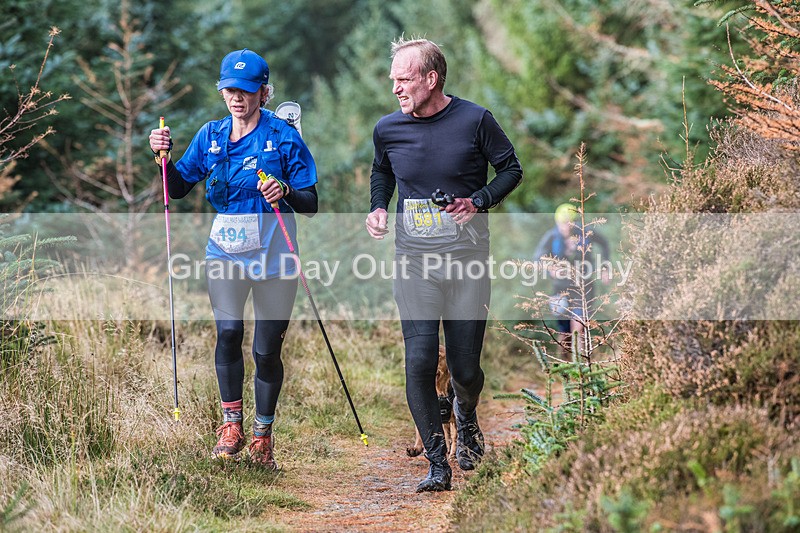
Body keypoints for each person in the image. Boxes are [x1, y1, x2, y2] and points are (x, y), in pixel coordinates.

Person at [365, 38, 523, 492]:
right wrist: (378, 206)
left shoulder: (475, 120)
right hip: (414, 262)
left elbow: (511, 169)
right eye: (393, 79)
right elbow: (382, 171)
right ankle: (438, 464)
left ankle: (466, 415)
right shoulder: (388, 128)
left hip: (466, 263)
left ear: (431, 79)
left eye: (403, 79)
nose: (395, 88)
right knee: (418, 362)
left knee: (464, 370)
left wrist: (478, 201)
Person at [149, 48, 318, 469]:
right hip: (225, 252)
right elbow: (177, 189)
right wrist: (162, 158)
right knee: (228, 332)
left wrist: (285, 191)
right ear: (222, 92)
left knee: (266, 350)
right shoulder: (211, 135)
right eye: (229, 90)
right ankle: (231, 426)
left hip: (276, 257)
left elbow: (311, 203)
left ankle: (263, 436)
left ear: (263, 92)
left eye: (246, 90)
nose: (237, 98)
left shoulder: (283, 136)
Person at [533, 203, 610, 358]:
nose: (566, 227)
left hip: (584, 287)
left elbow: (604, 244)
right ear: (557, 222)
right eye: (562, 223)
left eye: (570, 223)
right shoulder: (551, 237)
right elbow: (537, 258)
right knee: (564, 334)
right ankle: (565, 365)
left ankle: (582, 365)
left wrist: (605, 267)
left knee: (579, 328)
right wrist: (550, 268)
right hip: (560, 290)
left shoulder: (585, 232)